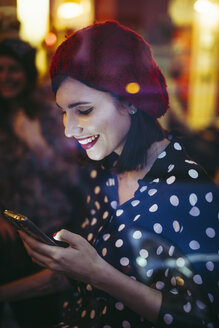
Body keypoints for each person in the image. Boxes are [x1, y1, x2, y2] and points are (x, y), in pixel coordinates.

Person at [11, 20, 219, 328]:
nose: (69, 130)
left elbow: (199, 317)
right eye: (63, 112)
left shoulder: (187, 187)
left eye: (84, 110)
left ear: (130, 101)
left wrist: (97, 273)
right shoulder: (108, 171)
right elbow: (78, 276)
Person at [0, 37, 82, 327]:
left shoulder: (49, 114)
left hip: (51, 228)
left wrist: (37, 144)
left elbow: (71, 177)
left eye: (13, 69)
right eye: (0, 69)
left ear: (27, 72)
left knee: (43, 313)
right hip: (11, 236)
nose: (5, 77)